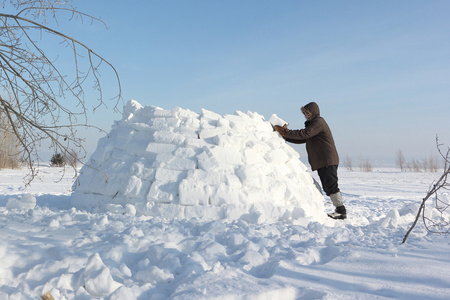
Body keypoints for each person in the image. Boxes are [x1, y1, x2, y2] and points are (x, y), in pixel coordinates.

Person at [273, 102, 347, 220]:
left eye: (307, 114)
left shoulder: (319, 122)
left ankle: (341, 211)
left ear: (313, 113)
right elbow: (304, 138)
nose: (305, 116)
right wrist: (286, 136)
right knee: (328, 186)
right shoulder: (313, 125)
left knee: (331, 186)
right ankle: (339, 210)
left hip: (327, 159)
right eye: (304, 114)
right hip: (324, 160)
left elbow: (304, 134)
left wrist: (286, 132)